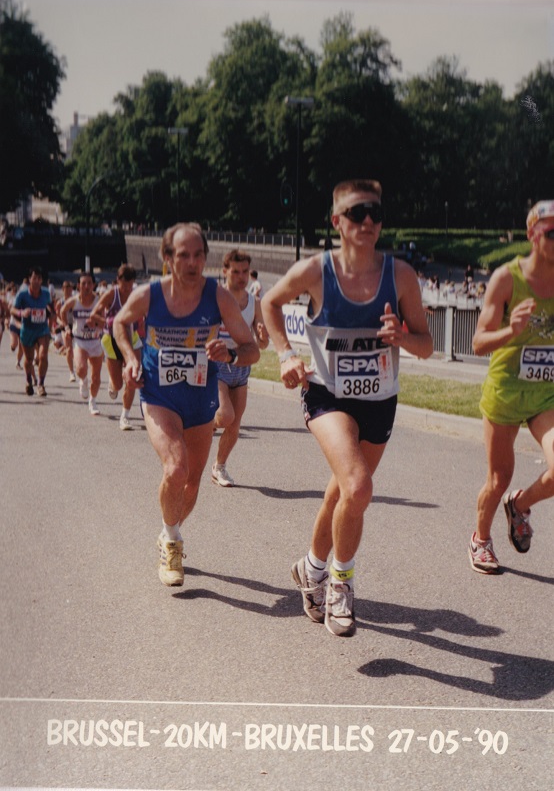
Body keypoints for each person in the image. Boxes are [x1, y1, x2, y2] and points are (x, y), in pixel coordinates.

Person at [262, 179, 433, 637]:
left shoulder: (400, 276)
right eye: (358, 213)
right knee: (358, 487)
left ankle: (311, 569)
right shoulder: (316, 272)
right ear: (337, 221)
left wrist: (402, 338)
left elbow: (427, 346)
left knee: (341, 494)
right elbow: (269, 302)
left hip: (379, 400)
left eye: (376, 213)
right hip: (328, 396)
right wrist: (284, 353)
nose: (369, 222)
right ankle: (341, 583)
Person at [113, 223, 259, 588]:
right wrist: (130, 357)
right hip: (159, 395)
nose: (192, 263)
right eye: (183, 255)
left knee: (192, 483)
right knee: (176, 468)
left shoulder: (219, 297)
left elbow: (252, 348)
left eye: (198, 255)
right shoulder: (151, 295)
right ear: (167, 259)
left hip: (199, 398)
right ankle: (172, 542)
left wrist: (229, 352)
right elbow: (120, 323)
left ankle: (170, 531)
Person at [469, 200, 554, 574]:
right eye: (552, 233)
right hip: (506, 392)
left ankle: (519, 505)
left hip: (546, 395)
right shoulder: (507, 278)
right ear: (532, 235)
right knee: (498, 477)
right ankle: (480, 539)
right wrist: (511, 331)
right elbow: (478, 343)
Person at [212, 250, 269, 486]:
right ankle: (204, 423)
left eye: (245, 271)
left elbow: (262, 344)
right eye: (235, 271)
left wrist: (263, 337)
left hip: (241, 365)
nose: (241, 276)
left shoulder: (254, 303)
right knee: (225, 415)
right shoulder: (216, 298)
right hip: (217, 364)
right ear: (225, 271)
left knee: (235, 425)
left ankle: (219, 467)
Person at [89, 264, 142, 431]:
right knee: (118, 385)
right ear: (118, 281)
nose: (126, 288)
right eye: (123, 284)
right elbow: (93, 316)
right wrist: (110, 322)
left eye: (129, 284)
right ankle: (112, 384)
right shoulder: (111, 294)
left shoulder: (136, 294)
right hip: (111, 340)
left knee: (133, 375)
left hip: (132, 337)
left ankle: (125, 416)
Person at [59, 272, 104, 415]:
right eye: (83, 283)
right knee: (81, 368)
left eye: (89, 283)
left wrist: (99, 326)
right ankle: (83, 381)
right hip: (79, 340)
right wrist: (66, 327)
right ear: (78, 286)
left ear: (94, 285)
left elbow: (106, 317)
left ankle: (93, 401)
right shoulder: (74, 301)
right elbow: (62, 311)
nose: (86, 286)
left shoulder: (99, 300)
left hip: (95, 340)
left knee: (96, 376)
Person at [10, 266, 55, 396]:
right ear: (30, 279)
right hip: (27, 329)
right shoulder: (22, 294)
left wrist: (52, 314)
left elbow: (51, 307)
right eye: (34, 278)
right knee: (29, 359)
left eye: (39, 278)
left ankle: (40, 384)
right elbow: (12, 309)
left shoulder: (46, 293)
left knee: (43, 356)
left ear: (41, 280)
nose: (36, 281)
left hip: (42, 329)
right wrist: (21, 312)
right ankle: (29, 380)